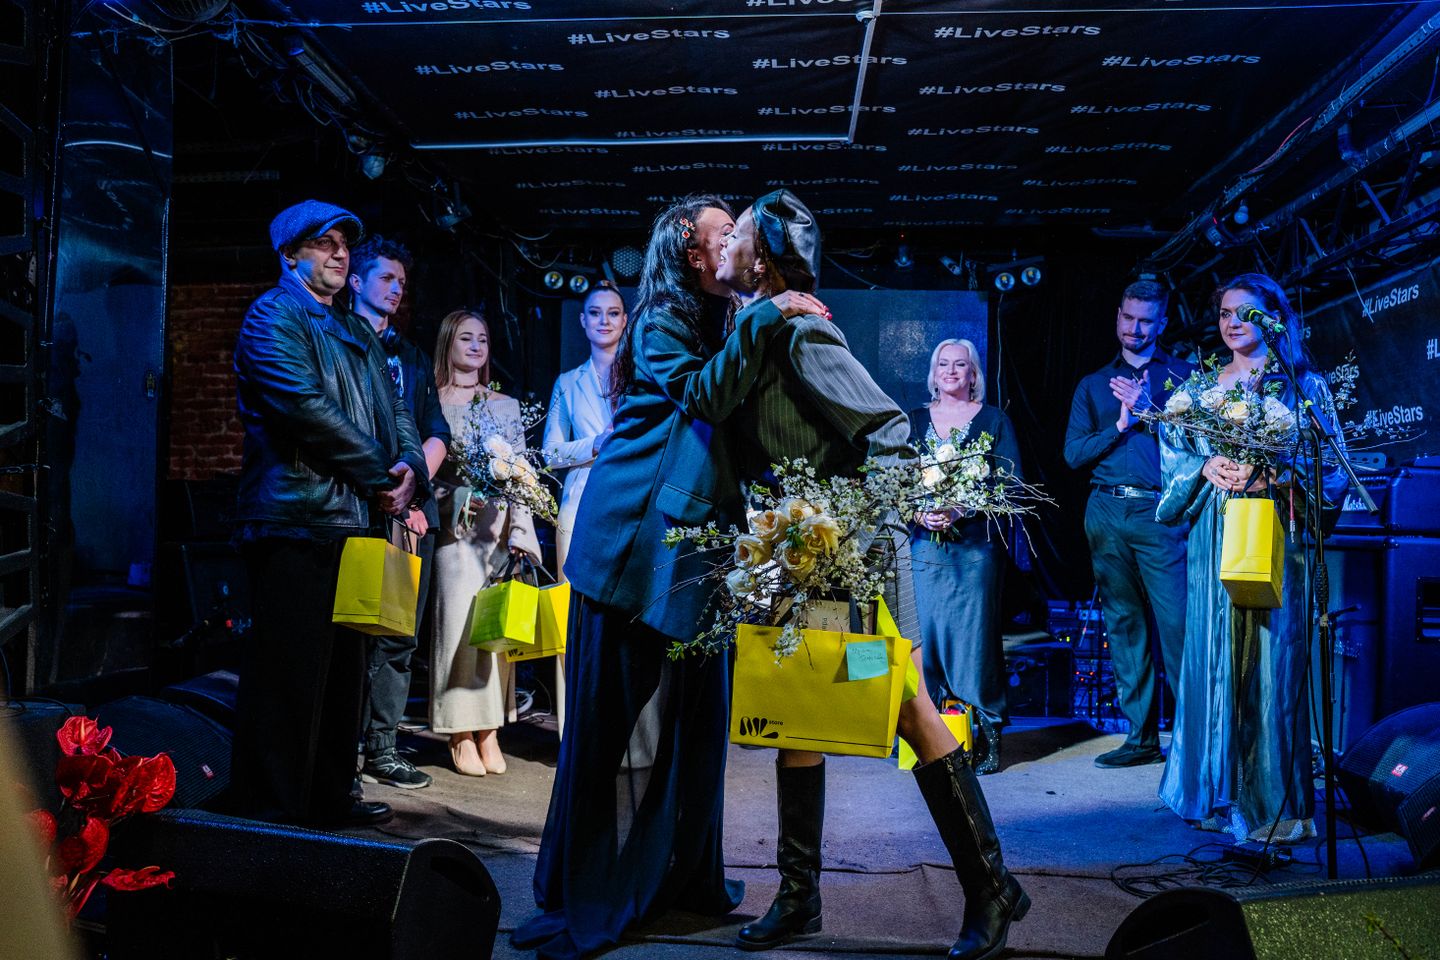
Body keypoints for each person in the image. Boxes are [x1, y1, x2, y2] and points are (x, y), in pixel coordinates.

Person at [718, 189, 1029, 960]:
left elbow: (890, 430)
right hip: (801, 554)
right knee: (798, 712)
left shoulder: (801, 334)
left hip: (853, 556)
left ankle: (990, 885)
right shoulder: (757, 329)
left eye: (736, 234)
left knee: (909, 709)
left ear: (762, 259)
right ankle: (799, 898)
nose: (722, 243)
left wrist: (849, 540)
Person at [514, 196, 827, 960]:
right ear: (691, 251)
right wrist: (768, 312)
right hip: (632, 545)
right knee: (608, 730)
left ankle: (682, 876)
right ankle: (589, 887)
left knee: (697, 722)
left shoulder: (726, 320)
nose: (741, 244)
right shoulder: (659, 319)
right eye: (727, 233)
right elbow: (706, 397)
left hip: (694, 551)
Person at [231, 200, 426, 828]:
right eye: (324, 242)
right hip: (298, 520)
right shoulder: (273, 315)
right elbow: (306, 410)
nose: (340, 252)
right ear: (291, 254)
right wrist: (380, 475)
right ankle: (273, 812)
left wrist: (410, 468)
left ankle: (329, 798)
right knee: (289, 677)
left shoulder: (357, 330)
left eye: (344, 243)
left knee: (345, 677)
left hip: (353, 523)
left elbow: (397, 410)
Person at [1155, 274, 1346, 843]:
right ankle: (1212, 793)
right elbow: (1173, 460)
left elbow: (1331, 468)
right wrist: (1204, 467)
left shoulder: (1301, 386)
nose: (1231, 322)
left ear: (1272, 316)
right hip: (1214, 535)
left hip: (1273, 532)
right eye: (1223, 313)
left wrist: (1275, 474)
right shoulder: (1200, 389)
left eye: (1245, 312)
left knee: (1272, 661)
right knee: (1211, 656)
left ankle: (1270, 804)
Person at [1063, 280, 1194, 768]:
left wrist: (1149, 411)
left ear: (1162, 323)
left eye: (1146, 321)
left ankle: (1193, 743)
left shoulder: (1183, 377)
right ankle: (1141, 739)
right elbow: (1073, 454)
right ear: (1117, 316)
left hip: (1162, 512)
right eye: (1128, 317)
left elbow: (1200, 443)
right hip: (1106, 511)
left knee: (1178, 627)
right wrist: (1120, 424)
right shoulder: (1093, 384)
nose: (1135, 329)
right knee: (1123, 625)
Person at [347, 235, 449, 791]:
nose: (396, 289)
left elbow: (436, 433)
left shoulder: (409, 355)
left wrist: (413, 489)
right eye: (386, 278)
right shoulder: (338, 341)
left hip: (410, 512)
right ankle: (343, 748)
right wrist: (385, 489)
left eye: (401, 282)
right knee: (353, 632)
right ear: (356, 281)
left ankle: (382, 747)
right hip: (358, 507)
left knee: (398, 635)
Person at [429, 309, 542, 777]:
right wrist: (458, 499)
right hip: (457, 535)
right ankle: (459, 730)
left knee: (496, 632)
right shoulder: (432, 401)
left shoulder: (505, 406)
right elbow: (425, 477)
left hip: (497, 535)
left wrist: (521, 534)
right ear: (448, 343)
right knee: (457, 633)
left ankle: (490, 729)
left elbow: (522, 477)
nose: (476, 346)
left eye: (482, 339)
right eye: (466, 338)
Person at [908, 338, 1022, 774]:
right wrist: (917, 511)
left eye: (960, 365)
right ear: (933, 373)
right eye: (943, 364)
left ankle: (985, 732)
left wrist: (962, 508)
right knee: (926, 638)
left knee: (974, 643)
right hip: (924, 549)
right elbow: (895, 478)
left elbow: (1010, 484)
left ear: (974, 374)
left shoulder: (994, 420)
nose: (951, 371)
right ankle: (928, 733)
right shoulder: (914, 420)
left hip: (975, 550)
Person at [543, 279, 626, 575]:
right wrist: (594, 444)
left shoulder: (642, 378)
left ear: (624, 320)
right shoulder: (567, 382)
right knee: (571, 591)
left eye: (613, 313)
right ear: (582, 320)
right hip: (579, 500)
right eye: (595, 313)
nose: (604, 321)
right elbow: (550, 454)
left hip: (629, 495)